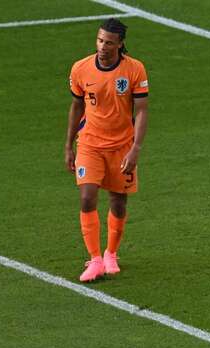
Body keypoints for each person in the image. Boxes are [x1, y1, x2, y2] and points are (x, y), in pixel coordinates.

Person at [64, 18, 149, 282]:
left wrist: (135, 149)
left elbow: (142, 111)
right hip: (89, 143)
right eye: (100, 40)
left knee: (118, 202)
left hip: (122, 145)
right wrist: (68, 144)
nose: (103, 46)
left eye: (109, 42)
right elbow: (76, 107)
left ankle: (111, 253)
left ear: (120, 44)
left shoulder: (134, 69)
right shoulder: (81, 68)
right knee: (87, 197)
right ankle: (95, 260)